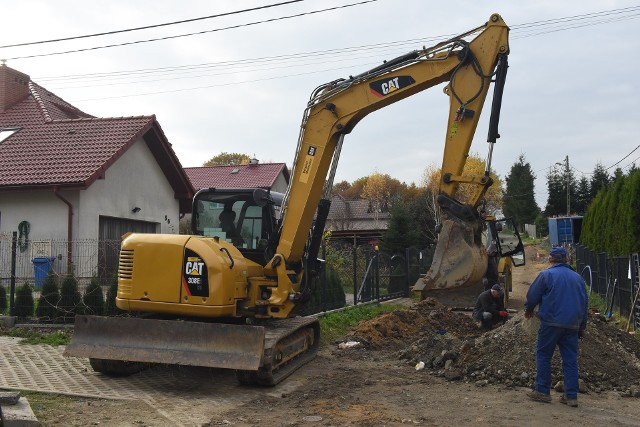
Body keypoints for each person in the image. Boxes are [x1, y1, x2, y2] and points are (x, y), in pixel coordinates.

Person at [525, 246, 588, 407]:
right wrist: (582, 326)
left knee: (544, 354)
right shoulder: (578, 278)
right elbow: (584, 304)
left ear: (551, 260)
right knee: (570, 360)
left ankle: (542, 391)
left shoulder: (546, 275)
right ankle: (571, 396)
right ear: (566, 260)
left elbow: (533, 296)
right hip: (572, 325)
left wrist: (529, 309)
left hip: (551, 322)